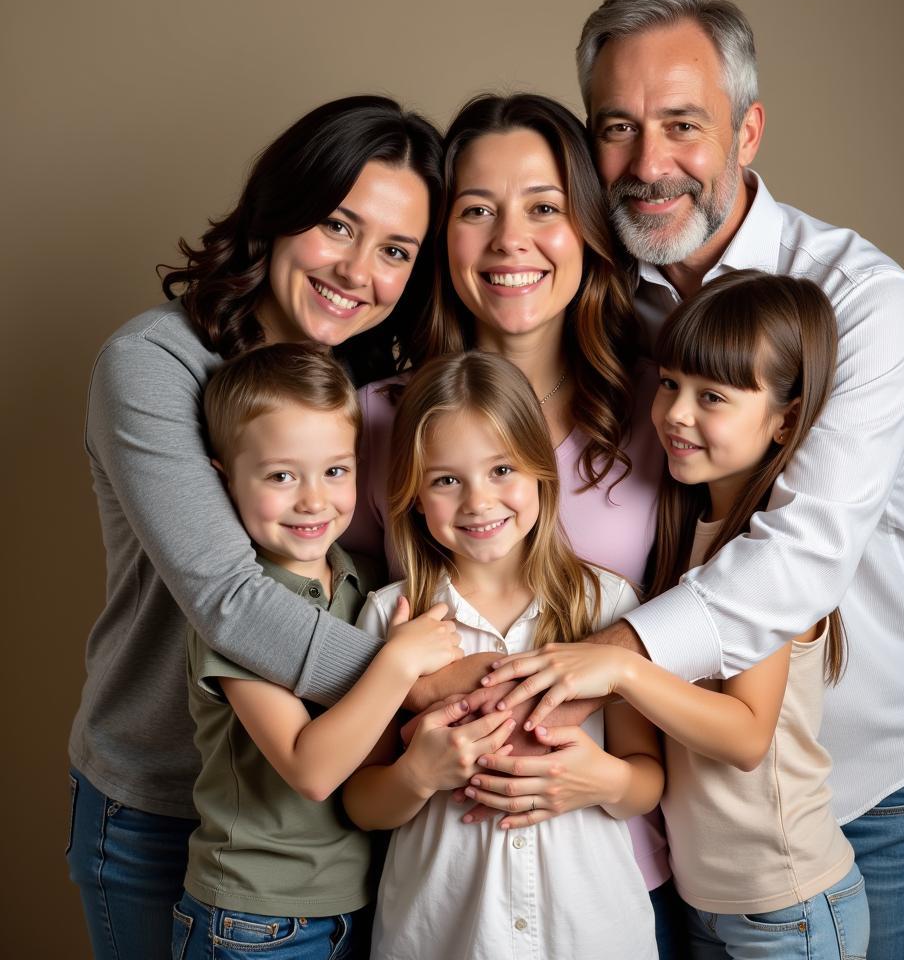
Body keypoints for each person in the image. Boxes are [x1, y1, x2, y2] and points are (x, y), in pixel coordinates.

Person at [481, 0, 904, 958]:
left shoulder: (861, 298)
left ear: (747, 132)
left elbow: (796, 554)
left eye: (681, 124)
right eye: (616, 128)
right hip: (695, 807)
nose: (648, 163)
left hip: (870, 773)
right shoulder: (606, 299)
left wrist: (610, 656)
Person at [67, 96, 443, 960]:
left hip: (324, 825)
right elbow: (231, 601)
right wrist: (421, 686)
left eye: (395, 251)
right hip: (161, 805)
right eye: (337, 226)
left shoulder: (374, 388)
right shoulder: (154, 365)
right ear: (277, 212)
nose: (358, 271)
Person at [341, 93, 682, 950]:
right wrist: (412, 690)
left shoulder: (663, 411)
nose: (508, 240)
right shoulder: (373, 422)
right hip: (449, 902)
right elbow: (314, 619)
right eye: (475, 211)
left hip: (610, 886)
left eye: (544, 207)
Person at [488, 272, 871, 958]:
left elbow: (746, 736)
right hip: (710, 900)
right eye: (669, 383)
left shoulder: (766, 561)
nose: (675, 413)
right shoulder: (689, 530)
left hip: (785, 906)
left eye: (713, 397)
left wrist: (623, 669)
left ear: (785, 418)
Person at [341, 351, 662, 960]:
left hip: (591, 934)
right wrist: (418, 775)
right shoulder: (392, 620)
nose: (478, 502)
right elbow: (360, 801)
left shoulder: (607, 604)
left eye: (501, 470)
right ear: (413, 493)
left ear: (541, 471)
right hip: (444, 937)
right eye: (445, 480)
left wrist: (602, 779)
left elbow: (646, 779)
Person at [171, 343, 462, 959]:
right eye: (281, 475)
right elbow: (312, 770)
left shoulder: (357, 576)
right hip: (254, 916)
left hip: (357, 899)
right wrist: (399, 662)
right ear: (225, 479)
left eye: (335, 471)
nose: (313, 500)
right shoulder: (237, 614)